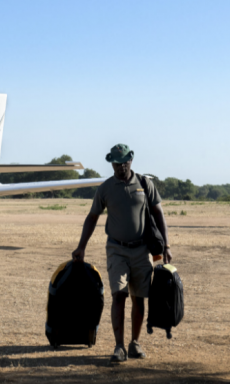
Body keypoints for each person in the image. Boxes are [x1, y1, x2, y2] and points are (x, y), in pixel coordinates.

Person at [72, 144, 171, 364]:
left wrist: (166, 245)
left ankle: (134, 343)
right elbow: (92, 217)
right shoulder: (105, 188)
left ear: (130, 161)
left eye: (123, 162)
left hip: (142, 249)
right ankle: (119, 346)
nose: (119, 167)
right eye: (115, 163)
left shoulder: (145, 184)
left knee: (139, 298)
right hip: (116, 249)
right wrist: (81, 246)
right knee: (119, 295)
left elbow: (158, 213)